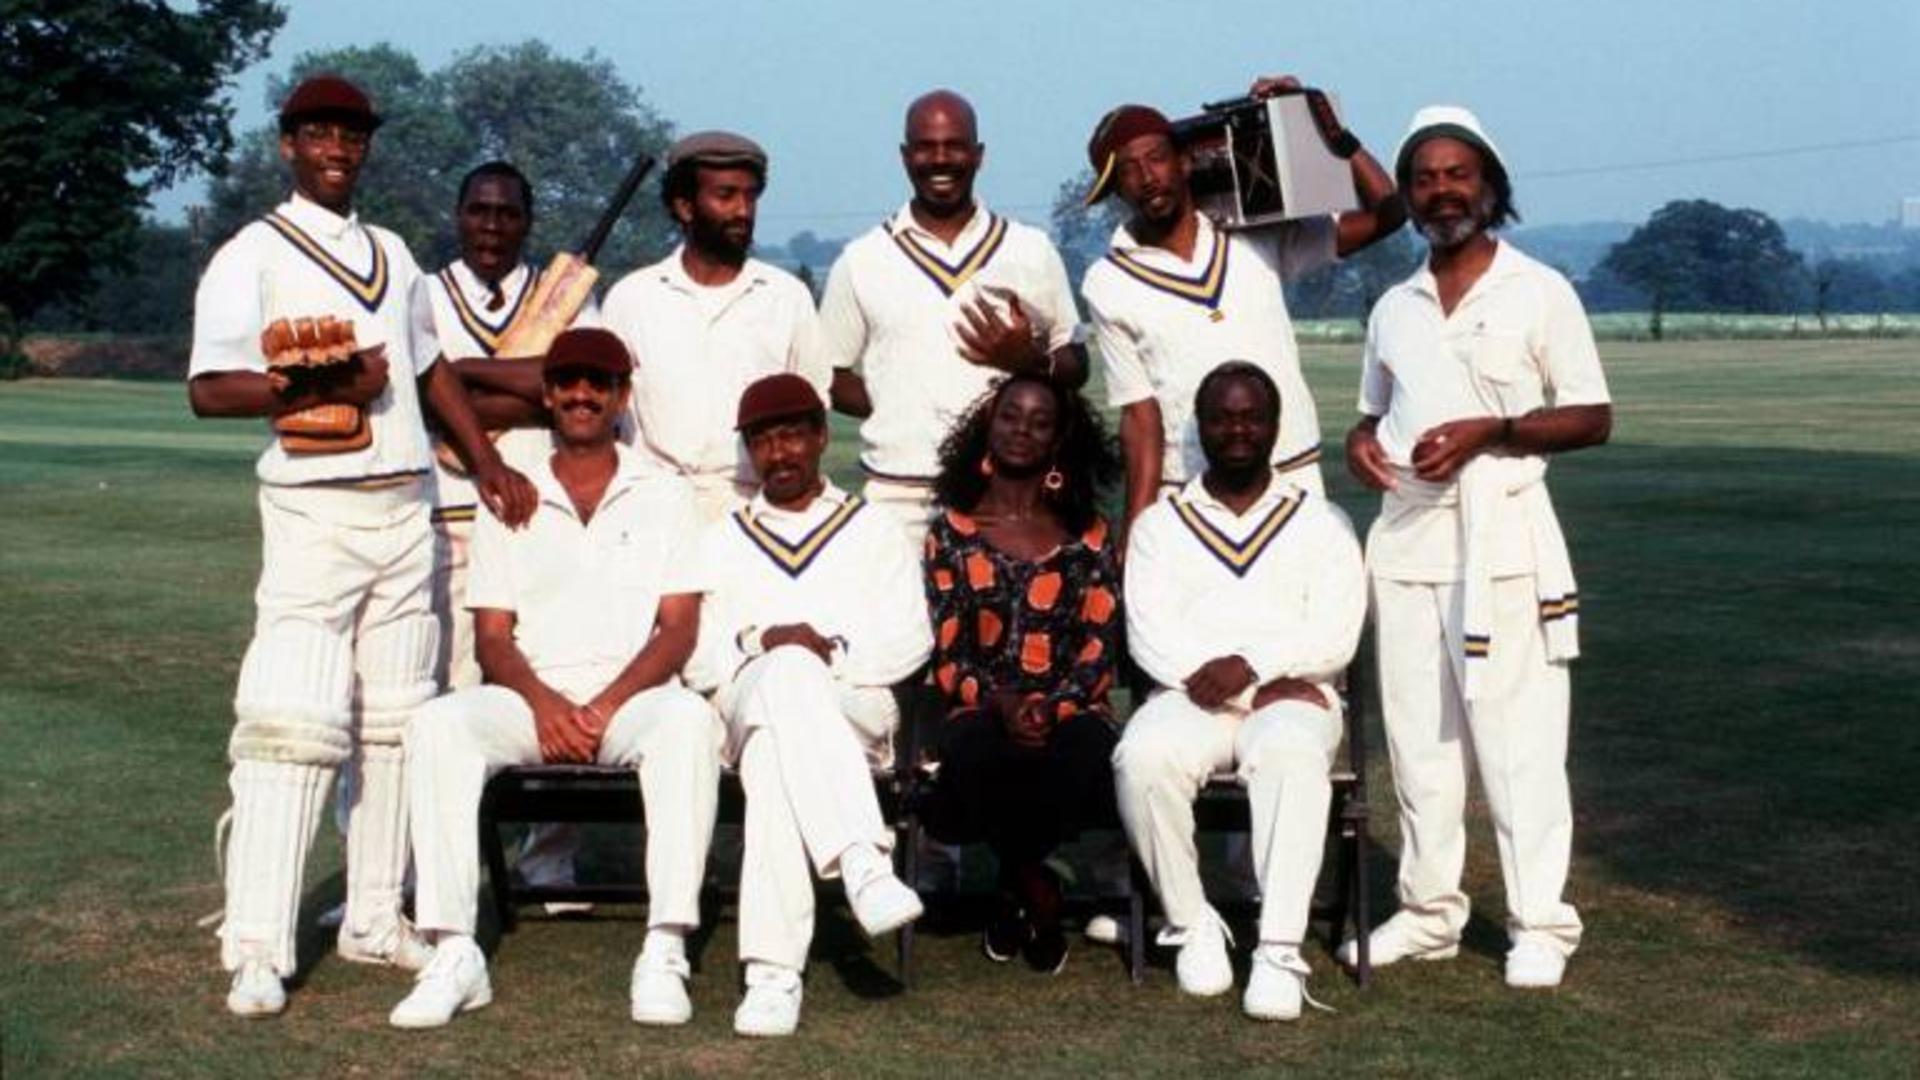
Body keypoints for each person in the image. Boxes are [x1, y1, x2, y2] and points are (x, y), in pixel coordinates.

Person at [186, 74, 537, 1018]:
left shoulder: (391, 253)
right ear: (289, 144)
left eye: (352, 134)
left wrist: (487, 459)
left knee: (399, 724)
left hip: (407, 509)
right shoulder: (251, 253)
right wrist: (329, 374)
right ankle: (256, 942)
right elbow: (211, 389)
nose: (338, 147)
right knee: (292, 723)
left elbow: (428, 370)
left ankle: (375, 917)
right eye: (319, 133)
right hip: (313, 508)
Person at [1339, 106, 1612, 990]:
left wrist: (1493, 427)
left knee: (1518, 741)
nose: (1442, 190)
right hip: (1410, 544)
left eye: (1459, 174)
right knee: (1420, 746)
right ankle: (1428, 912)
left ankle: (1542, 922)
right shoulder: (1394, 306)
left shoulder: (1539, 290)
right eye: (1424, 178)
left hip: (1505, 545)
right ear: (1411, 197)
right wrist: (1359, 442)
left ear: (1490, 186)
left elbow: (1593, 416)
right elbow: (1372, 412)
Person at [389, 328, 723, 1029]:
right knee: (437, 724)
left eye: (597, 384)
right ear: (547, 393)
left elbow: (679, 629)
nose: (581, 395)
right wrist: (543, 705)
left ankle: (665, 947)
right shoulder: (511, 491)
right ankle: (455, 951)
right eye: (568, 381)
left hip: (630, 702)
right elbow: (491, 637)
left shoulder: (664, 493)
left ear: (621, 397)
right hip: (529, 699)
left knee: (690, 723)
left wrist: (602, 707)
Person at [1113, 362, 1365, 1021]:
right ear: (1199, 427)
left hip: (1295, 699)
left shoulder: (1322, 520)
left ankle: (1278, 950)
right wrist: (1248, 685)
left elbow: (1336, 635)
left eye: (1251, 415)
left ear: (1275, 427)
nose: (1237, 429)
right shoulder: (1161, 525)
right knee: (1141, 758)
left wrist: (1251, 669)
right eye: (1222, 416)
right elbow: (1148, 637)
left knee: (1289, 754)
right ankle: (1192, 923)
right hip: (1192, 694)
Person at [686, 374, 930, 1037]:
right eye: (763, 440)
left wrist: (828, 658)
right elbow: (698, 658)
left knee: (776, 745)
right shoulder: (721, 538)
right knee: (781, 680)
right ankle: (859, 858)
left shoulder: (874, 529)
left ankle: (772, 975)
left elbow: (911, 641)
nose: (779, 452)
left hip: (856, 711)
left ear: (822, 436)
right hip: (748, 703)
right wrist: (766, 643)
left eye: (792, 433)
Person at [1079, 74, 1405, 529]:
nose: (1147, 177)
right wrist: (1136, 533)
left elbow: (1388, 213)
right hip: (1190, 488)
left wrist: (1319, 124)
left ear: (1185, 160)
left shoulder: (1255, 234)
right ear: (1115, 190)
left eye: (1156, 158)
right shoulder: (1108, 281)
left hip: (1292, 472)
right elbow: (1140, 416)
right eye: (1128, 170)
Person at [423, 159, 602, 910]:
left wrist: (461, 374)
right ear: (458, 215)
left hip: (545, 518)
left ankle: (549, 860)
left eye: (507, 214)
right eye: (478, 211)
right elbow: (416, 394)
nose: (491, 227)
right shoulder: (423, 294)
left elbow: (576, 387)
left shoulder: (562, 295)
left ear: (527, 221)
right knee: (438, 694)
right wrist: (511, 390)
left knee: (557, 681)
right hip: (444, 517)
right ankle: (422, 865)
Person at [822, 89, 1088, 548]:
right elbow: (829, 375)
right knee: (903, 622)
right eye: (925, 147)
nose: (940, 159)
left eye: (954, 146)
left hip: (1008, 492)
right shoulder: (863, 258)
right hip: (899, 496)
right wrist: (895, 400)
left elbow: (1076, 364)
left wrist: (1030, 362)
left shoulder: (1029, 248)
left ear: (979, 155)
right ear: (905, 156)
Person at [919, 373, 1123, 973]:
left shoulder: (1089, 537)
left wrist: (1049, 708)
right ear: (990, 423)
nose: (1021, 431)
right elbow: (949, 654)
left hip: (1072, 711)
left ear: (1059, 439)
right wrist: (1004, 703)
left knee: (1079, 752)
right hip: (981, 709)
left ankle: (1014, 887)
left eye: (1039, 421)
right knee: (978, 753)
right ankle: (1039, 889)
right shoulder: (951, 534)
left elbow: (1098, 649)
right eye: (1010, 416)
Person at [600, 131, 828, 523]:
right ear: (685, 207)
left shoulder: (786, 297)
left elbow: (813, 411)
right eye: (726, 196)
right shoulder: (631, 299)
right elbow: (609, 420)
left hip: (754, 511)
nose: (743, 211)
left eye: (751, 196)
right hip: (651, 510)